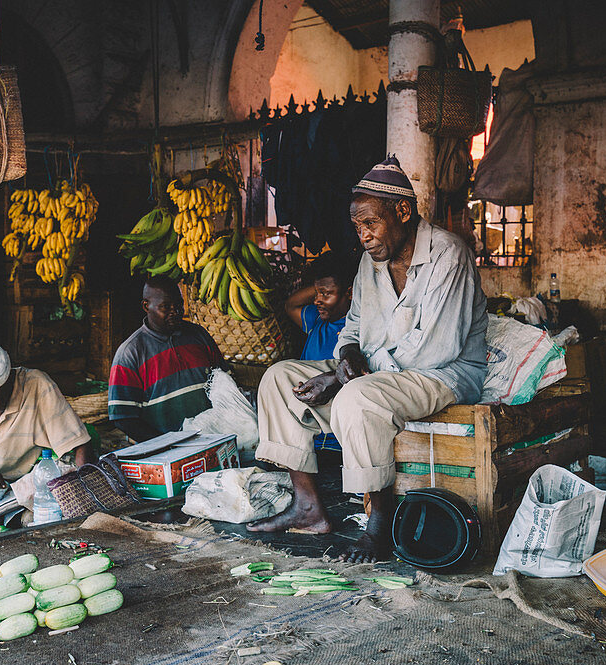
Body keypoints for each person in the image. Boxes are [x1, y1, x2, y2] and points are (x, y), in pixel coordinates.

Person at [249, 155, 487, 563]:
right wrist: (346, 355)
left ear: (403, 211)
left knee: (357, 398)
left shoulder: (450, 255)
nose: (363, 236)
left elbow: (435, 350)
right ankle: (308, 508)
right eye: (358, 227)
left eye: (370, 224)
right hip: (379, 373)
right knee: (279, 378)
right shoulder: (370, 264)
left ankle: (379, 522)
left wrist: (346, 379)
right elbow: (353, 326)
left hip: (442, 374)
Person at [0, 345, 93, 492]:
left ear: (10, 380)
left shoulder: (36, 384)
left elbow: (79, 442)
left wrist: (86, 488)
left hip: (21, 481)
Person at [108, 276, 224, 441]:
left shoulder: (199, 336)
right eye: (165, 307)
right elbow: (123, 418)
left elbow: (223, 380)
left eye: (178, 305)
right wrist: (167, 443)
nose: (175, 312)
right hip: (164, 452)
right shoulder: (129, 354)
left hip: (212, 439)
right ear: (146, 306)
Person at [285, 250, 356, 452]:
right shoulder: (317, 321)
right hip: (306, 437)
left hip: (339, 441)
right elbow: (291, 304)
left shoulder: (358, 331)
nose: (317, 300)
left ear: (349, 293)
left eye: (326, 294)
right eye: (316, 293)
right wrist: (322, 285)